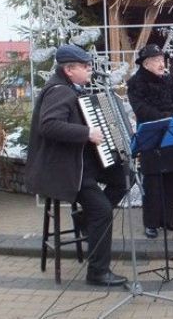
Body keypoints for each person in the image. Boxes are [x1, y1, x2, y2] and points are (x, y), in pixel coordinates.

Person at [25, 44, 128, 287]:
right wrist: (87, 132)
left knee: (123, 177)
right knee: (102, 211)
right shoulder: (60, 91)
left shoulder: (71, 89)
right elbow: (48, 126)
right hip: (64, 169)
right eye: (85, 66)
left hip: (79, 162)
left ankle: (84, 219)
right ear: (69, 70)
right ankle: (97, 273)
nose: (90, 69)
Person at [127, 44, 173, 239]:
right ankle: (151, 224)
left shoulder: (171, 80)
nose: (161, 64)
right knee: (153, 183)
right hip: (153, 136)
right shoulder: (136, 83)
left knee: (172, 179)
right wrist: (164, 118)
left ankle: (168, 220)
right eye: (156, 61)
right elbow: (140, 108)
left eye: (162, 60)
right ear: (146, 64)